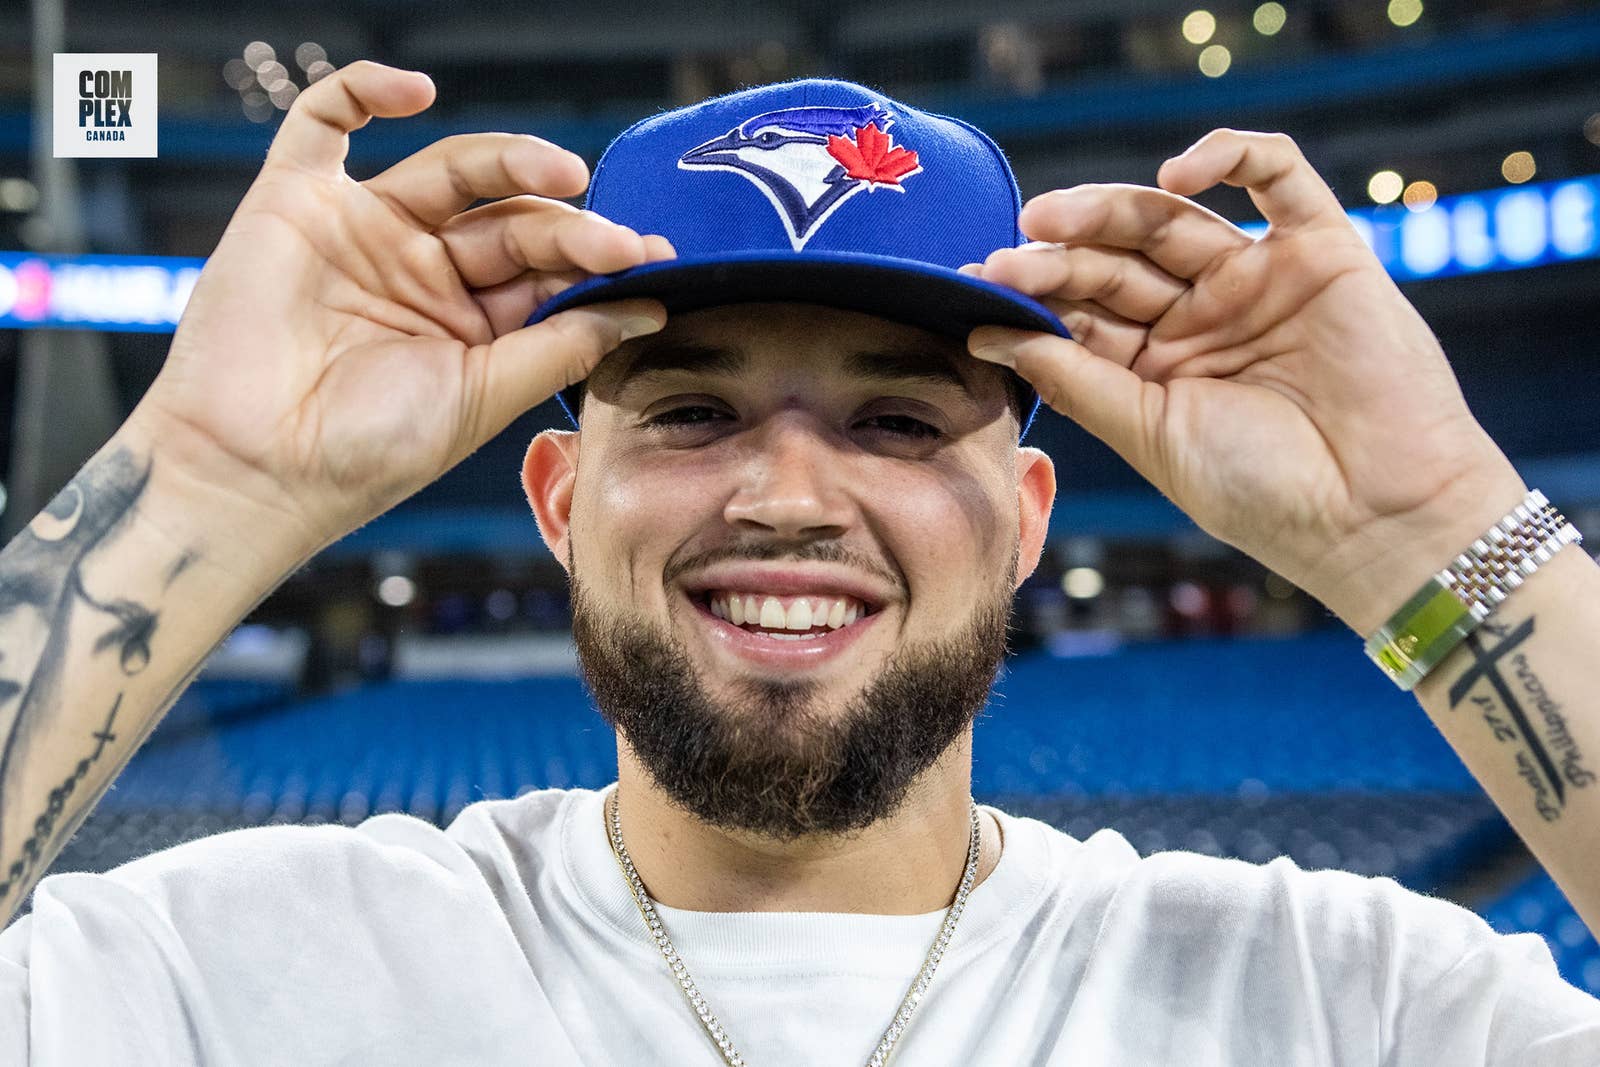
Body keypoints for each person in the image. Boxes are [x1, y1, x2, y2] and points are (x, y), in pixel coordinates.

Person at [0, 58, 1597, 1065]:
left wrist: (1431, 524)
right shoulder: (225, 975)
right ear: (558, 499)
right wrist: (200, 482)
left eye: (900, 423)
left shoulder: (1343, 1002)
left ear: (1033, 516)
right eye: (690, 410)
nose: (784, 492)